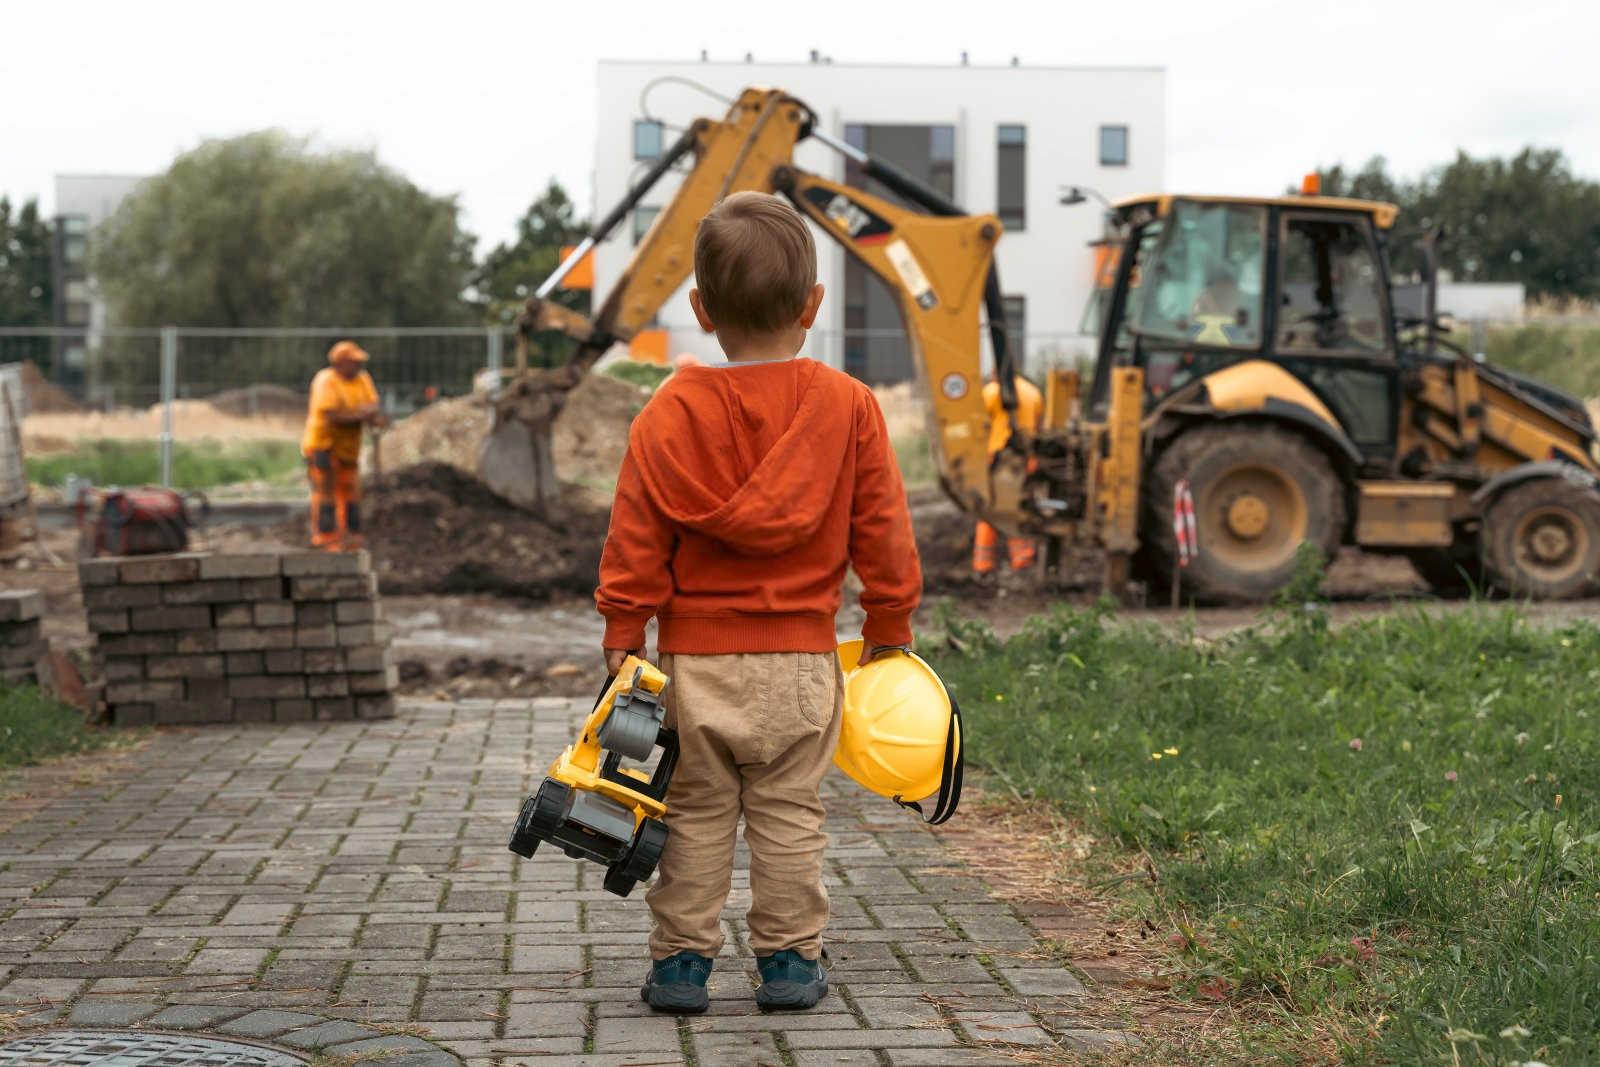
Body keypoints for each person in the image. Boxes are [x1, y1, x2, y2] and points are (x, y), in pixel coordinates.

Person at [596, 191, 921, 1015]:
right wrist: (889, 624)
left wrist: (623, 629)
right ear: (813, 306)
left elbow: (635, 532)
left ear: (701, 311)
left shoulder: (668, 410)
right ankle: (787, 962)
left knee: (698, 813)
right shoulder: (849, 406)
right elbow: (883, 527)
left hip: (696, 663)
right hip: (803, 663)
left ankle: (680, 966)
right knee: (787, 812)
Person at [301, 340, 386, 551]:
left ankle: (351, 536)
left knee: (350, 492)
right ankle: (326, 536)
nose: (358, 366)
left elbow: (373, 406)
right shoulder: (326, 381)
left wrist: (367, 415)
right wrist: (361, 413)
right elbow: (332, 414)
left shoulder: (362, 380)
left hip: (349, 449)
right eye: (354, 362)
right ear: (340, 363)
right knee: (326, 491)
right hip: (324, 445)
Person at [973, 373, 1043, 575]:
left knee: (990, 511)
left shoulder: (991, 392)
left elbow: (979, 426)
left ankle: (983, 564)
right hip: (1025, 460)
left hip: (998, 459)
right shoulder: (1033, 393)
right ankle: (1022, 558)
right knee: (1018, 507)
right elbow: (1038, 427)